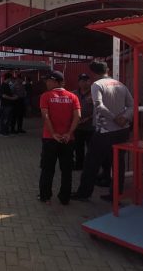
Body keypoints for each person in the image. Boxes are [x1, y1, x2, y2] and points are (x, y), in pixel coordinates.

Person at [73, 61, 134, 202]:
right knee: (118, 163)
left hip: (105, 131)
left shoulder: (97, 85)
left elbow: (99, 106)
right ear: (108, 70)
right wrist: (124, 118)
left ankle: (84, 193)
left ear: (93, 73)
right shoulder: (120, 84)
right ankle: (116, 195)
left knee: (91, 163)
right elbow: (132, 105)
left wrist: (114, 118)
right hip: (122, 131)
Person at [38, 71, 81, 205]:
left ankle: (45, 196)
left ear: (56, 81)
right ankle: (65, 197)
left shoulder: (46, 96)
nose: (46, 83)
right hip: (68, 140)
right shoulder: (73, 97)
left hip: (50, 139)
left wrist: (53, 133)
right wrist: (69, 133)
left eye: (48, 80)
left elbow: (45, 116)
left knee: (47, 169)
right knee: (66, 170)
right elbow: (78, 116)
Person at [72, 73, 94, 171]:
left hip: (91, 127)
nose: (84, 83)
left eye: (86, 80)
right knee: (78, 147)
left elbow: (99, 109)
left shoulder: (95, 93)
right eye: (82, 80)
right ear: (79, 82)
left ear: (90, 82)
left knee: (91, 149)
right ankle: (79, 164)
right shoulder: (74, 94)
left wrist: (88, 118)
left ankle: (90, 166)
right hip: (78, 126)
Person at [0, 72, 17, 136]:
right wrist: (12, 98)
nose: (10, 80)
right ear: (8, 78)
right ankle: (3, 132)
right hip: (5, 105)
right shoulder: (3, 85)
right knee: (5, 119)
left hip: (8, 105)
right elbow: (3, 95)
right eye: (10, 79)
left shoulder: (6, 85)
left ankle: (6, 132)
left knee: (7, 119)